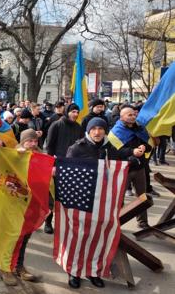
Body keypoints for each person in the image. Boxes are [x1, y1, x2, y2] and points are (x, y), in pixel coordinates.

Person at [64, 117, 123, 289]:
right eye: (94, 129)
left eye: (100, 129)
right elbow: (68, 174)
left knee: (98, 237)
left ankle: (93, 271)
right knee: (79, 237)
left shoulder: (110, 149)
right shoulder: (76, 148)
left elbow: (120, 168)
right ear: (88, 130)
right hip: (82, 200)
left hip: (103, 202)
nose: (97, 132)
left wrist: (136, 159)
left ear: (105, 130)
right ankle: (73, 271)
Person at [0, 129, 42, 286]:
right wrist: (17, 156)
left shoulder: (40, 156)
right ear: (22, 141)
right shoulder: (14, 155)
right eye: (29, 141)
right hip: (14, 204)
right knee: (11, 236)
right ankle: (5, 268)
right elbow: (4, 176)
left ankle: (19, 266)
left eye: (35, 141)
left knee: (24, 238)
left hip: (32, 204)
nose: (32, 144)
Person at [110, 106, 153, 229]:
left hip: (139, 168)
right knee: (119, 198)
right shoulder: (115, 132)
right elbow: (114, 152)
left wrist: (145, 147)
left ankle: (143, 222)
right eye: (129, 115)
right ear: (122, 117)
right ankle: (115, 223)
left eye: (134, 114)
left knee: (142, 197)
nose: (133, 116)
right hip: (124, 169)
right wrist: (132, 151)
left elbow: (149, 145)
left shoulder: (140, 128)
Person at [44, 103, 83, 234]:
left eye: (77, 112)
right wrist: (51, 165)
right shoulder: (56, 125)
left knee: (68, 197)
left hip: (72, 166)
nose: (76, 114)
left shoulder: (78, 127)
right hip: (56, 166)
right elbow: (49, 147)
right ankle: (48, 222)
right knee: (52, 196)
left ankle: (66, 223)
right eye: (73, 112)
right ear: (67, 112)